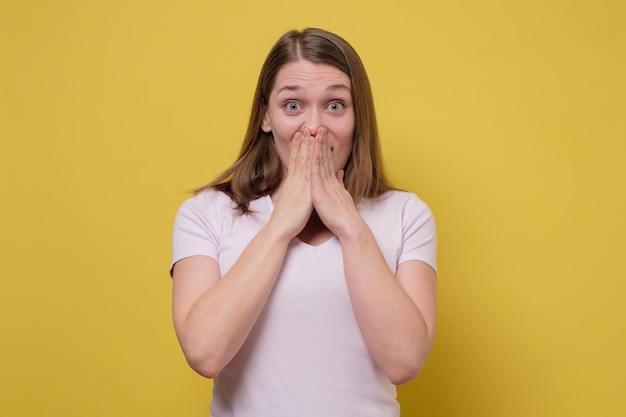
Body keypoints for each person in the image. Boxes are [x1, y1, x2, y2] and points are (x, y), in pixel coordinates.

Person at [169, 27, 437, 417]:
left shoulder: (406, 214)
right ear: (266, 116)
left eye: (335, 105)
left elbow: (404, 362)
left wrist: (349, 224)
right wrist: (280, 225)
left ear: (357, 116)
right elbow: (204, 353)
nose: (314, 127)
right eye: (293, 106)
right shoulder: (207, 213)